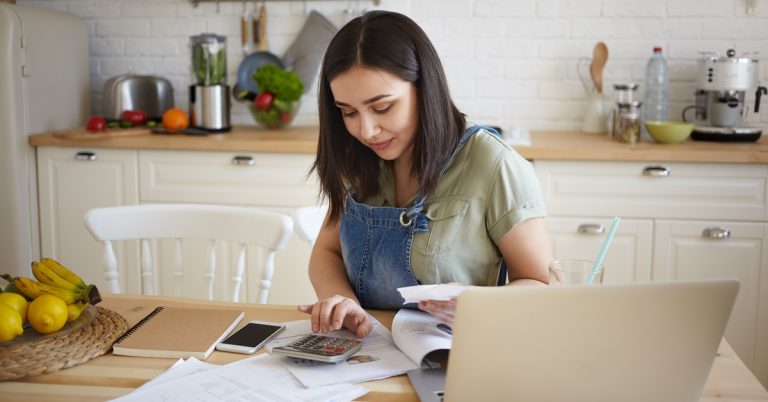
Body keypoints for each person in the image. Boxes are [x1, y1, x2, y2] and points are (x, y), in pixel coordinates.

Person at [297, 10, 553, 338]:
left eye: (382, 107)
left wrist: (480, 304)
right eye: (348, 112)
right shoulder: (358, 158)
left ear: (424, 87)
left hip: (458, 356)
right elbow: (326, 252)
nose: (367, 130)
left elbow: (541, 285)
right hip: (366, 354)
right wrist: (342, 302)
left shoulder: (493, 164)